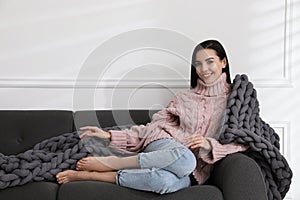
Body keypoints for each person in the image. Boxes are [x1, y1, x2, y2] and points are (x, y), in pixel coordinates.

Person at [56, 40, 247, 194]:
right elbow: (153, 127)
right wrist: (110, 136)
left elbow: (245, 141)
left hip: (191, 170)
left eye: (210, 61)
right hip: (166, 144)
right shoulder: (184, 97)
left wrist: (210, 145)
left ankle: (92, 176)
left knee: (164, 182)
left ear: (223, 62)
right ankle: (112, 163)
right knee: (186, 158)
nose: (203, 68)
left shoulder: (237, 100)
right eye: (198, 63)